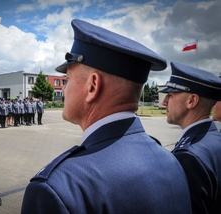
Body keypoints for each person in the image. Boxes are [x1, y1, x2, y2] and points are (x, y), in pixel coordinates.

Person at [21, 19, 192, 214]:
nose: (64, 89)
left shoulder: (59, 189)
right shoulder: (170, 161)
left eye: (67, 79)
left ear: (92, 86)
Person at [160, 62, 221, 214]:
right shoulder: (216, 138)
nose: (164, 102)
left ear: (191, 101)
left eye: (170, 95)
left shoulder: (189, 157)